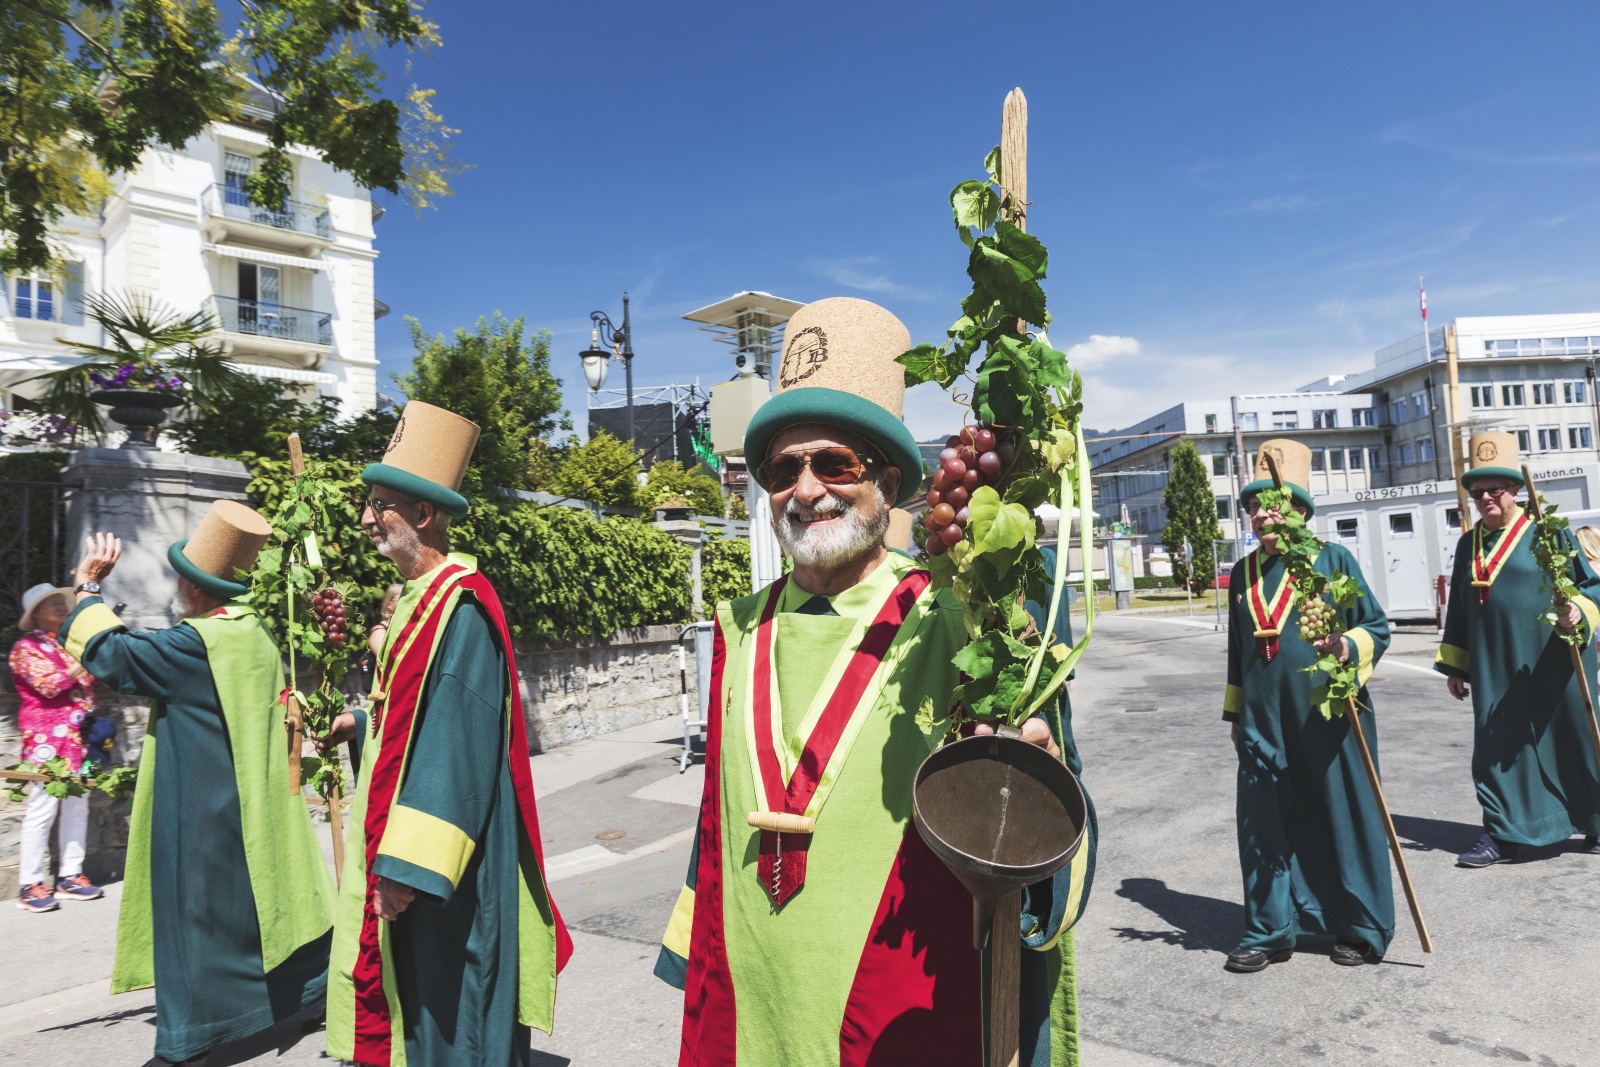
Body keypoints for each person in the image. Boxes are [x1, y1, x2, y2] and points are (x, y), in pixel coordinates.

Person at [654, 297, 1094, 1067]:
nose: (806, 487)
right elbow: (712, 832)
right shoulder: (735, 628)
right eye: (783, 468)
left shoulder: (967, 620)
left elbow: (1060, 824)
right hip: (750, 1000)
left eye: (835, 463)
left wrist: (1032, 782)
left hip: (907, 1019)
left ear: (886, 482)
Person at [320, 400, 571, 1067]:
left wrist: (405, 872)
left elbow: (454, 744)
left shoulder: (459, 608)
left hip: (443, 868)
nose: (368, 517)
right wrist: (359, 722)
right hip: (415, 844)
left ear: (423, 515)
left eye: (382, 505)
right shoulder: (418, 599)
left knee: (448, 1017)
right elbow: (413, 722)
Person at [59, 501, 337, 1065]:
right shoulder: (252, 632)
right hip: (250, 804)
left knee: (194, 926)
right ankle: (310, 996)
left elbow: (115, 655)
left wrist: (88, 589)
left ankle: (184, 1042)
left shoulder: (195, 646)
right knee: (257, 916)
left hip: (201, 808)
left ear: (193, 587)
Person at [1222, 439, 1394, 972]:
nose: (1261, 514)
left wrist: (1346, 645)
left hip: (1329, 715)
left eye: (1272, 503)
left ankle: (1358, 927)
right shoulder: (1243, 573)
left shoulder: (1332, 559)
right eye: (1252, 506)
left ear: (1298, 509)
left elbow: (1377, 628)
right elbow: (1237, 654)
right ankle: (1269, 930)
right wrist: (1235, 716)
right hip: (1263, 721)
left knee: (1341, 816)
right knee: (1263, 825)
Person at [1435, 432, 1600, 865]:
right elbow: (1460, 607)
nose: (1487, 498)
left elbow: (1592, 588)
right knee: (1496, 746)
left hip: (1554, 658)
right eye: (1478, 493)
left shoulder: (1548, 533)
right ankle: (1502, 834)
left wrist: (1579, 613)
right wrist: (1457, 664)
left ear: (1515, 492)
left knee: (1573, 738)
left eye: (1496, 490)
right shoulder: (1467, 544)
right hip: (1495, 664)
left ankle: (1594, 820)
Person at [10, 582, 103, 913]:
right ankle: (30, 883)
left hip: (82, 740)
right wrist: (83, 657)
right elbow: (50, 685)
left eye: (62, 602)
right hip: (46, 742)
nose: (61, 607)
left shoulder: (69, 643)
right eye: (51, 604)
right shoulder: (25, 649)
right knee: (42, 809)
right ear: (35, 614)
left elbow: (99, 678)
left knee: (79, 807)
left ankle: (70, 875)